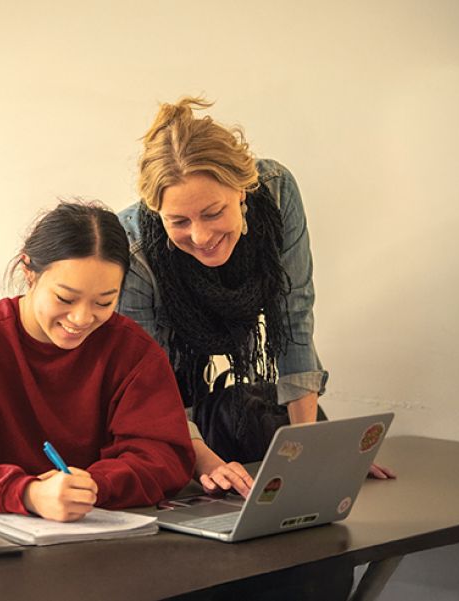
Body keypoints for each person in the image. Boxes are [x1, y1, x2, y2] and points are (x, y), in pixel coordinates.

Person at [117, 97, 394, 498]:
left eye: (213, 213)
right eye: (179, 221)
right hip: (162, 417)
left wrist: (314, 453)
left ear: (242, 191)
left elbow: (294, 316)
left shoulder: (277, 193)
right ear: (156, 212)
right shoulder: (134, 249)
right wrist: (207, 462)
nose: (200, 235)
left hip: (225, 410)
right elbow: (150, 380)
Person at [0, 201, 195, 522]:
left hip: (96, 538)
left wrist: (91, 487)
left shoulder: (132, 351)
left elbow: (164, 455)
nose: (82, 318)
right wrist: (28, 494)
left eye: (104, 302)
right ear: (29, 272)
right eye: (65, 298)